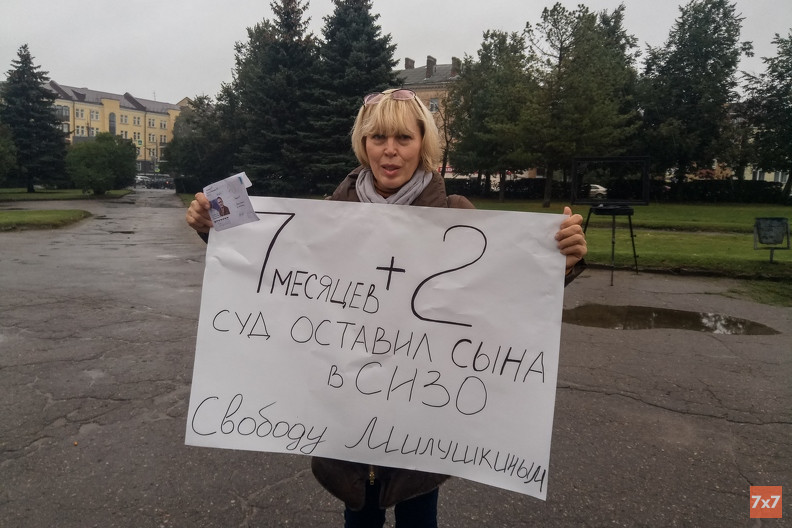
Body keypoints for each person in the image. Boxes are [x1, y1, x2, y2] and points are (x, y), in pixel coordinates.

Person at [186, 88, 587, 527]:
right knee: (359, 518)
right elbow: (269, 272)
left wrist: (561, 263)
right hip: (344, 420)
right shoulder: (328, 215)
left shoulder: (458, 215)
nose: (390, 150)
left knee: (419, 519)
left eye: (403, 138)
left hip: (423, 419)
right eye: (378, 137)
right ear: (364, 143)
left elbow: (504, 293)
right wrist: (214, 228)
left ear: (422, 143)